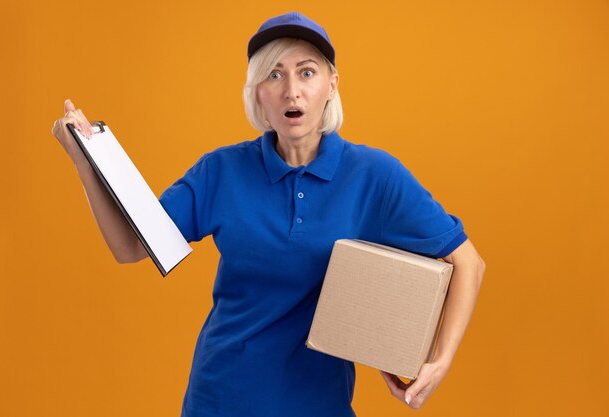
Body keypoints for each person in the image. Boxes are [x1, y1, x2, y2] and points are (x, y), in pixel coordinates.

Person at [51, 11, 485, 417]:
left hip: (320, 404)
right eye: (274, 74)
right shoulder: (221, 171)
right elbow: (130, 247)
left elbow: (467, 261)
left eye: (307, 72)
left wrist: (439, 359)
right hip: (218, 399)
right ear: (257, 91)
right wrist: (84, 161)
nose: (291, 90)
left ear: (331, 84)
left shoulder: (374, 176)